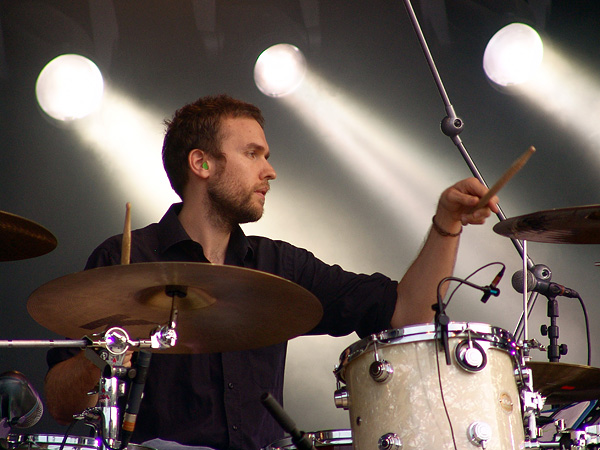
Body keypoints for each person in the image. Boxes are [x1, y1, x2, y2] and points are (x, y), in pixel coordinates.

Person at [45, 94, 499, 450]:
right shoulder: (126, 260)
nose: (270, 170)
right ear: (201, 163)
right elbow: (62, 405)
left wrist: (447, 224)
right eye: (253, 153)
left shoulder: (280, 266)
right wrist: (108, 348)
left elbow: (407, 312)